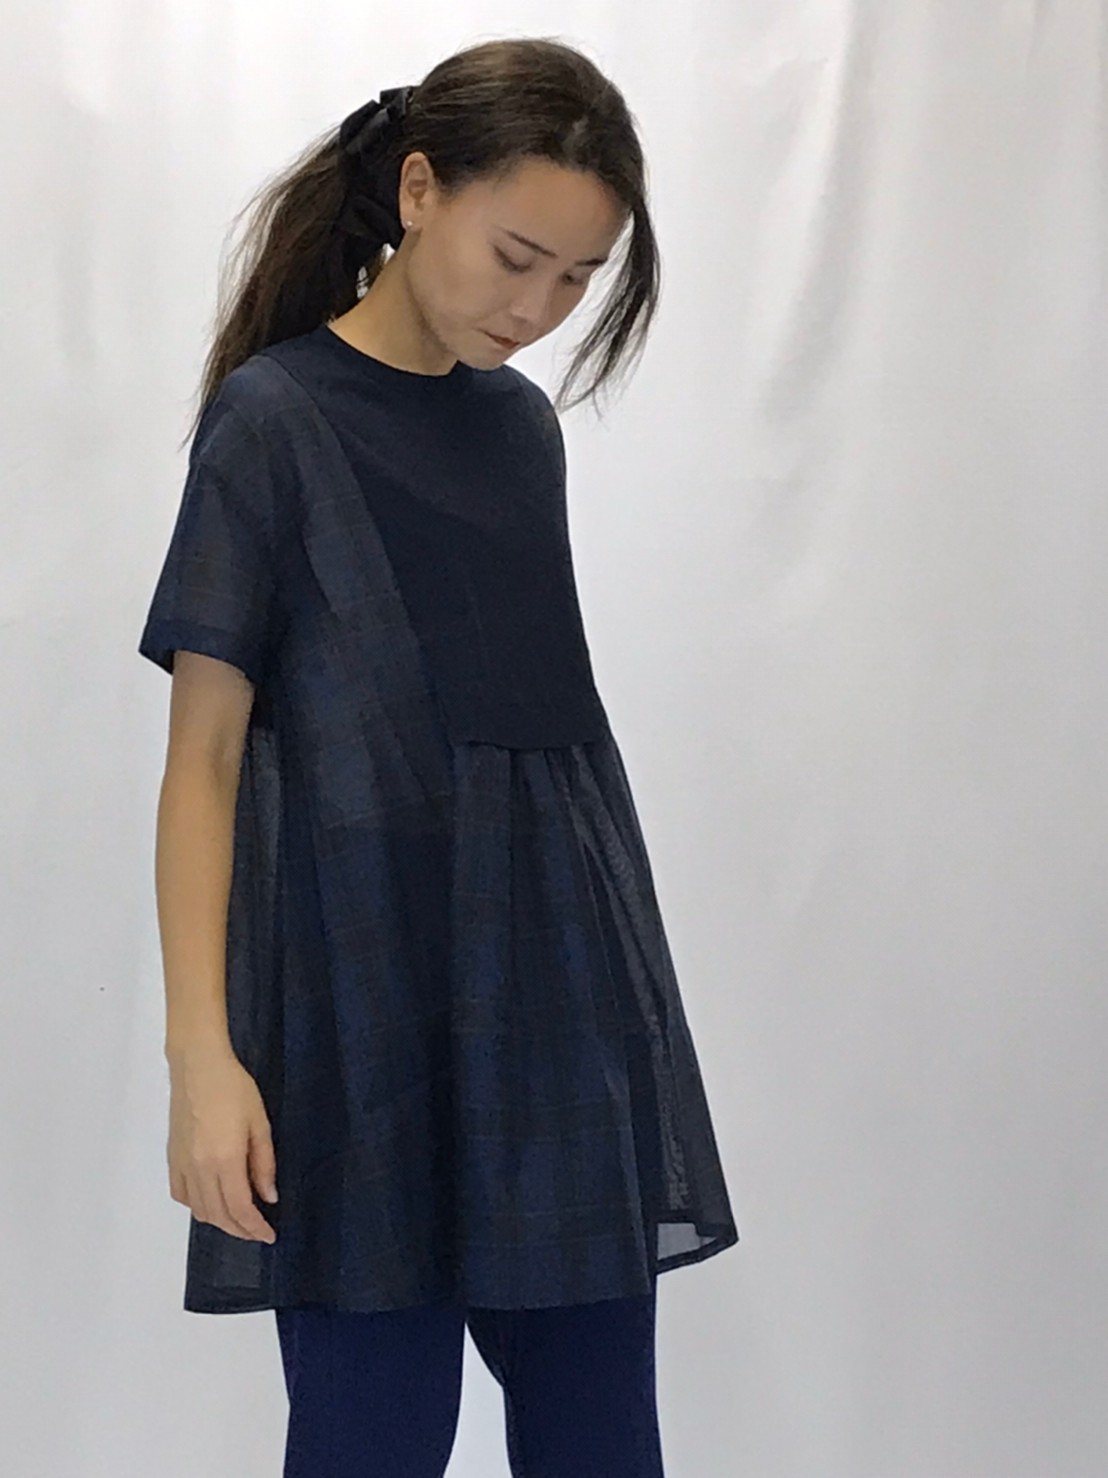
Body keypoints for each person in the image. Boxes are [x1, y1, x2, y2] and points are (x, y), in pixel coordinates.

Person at [138, 34, 739, 1478]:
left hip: (559, 1009)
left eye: (577, 279)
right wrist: (203, 1057)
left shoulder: (524, 433)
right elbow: (204, 760)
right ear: (419, 191)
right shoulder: (272, 421)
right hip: (359, 1020)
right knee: (370, 1441)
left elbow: (542, 755)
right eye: (515, 256)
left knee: (602, 1441)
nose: (536, 310)